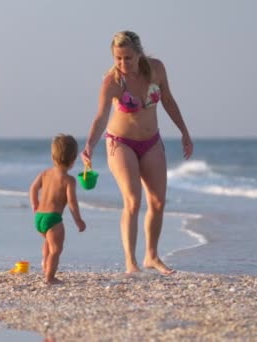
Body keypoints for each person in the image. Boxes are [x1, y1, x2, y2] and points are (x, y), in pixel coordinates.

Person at [80, 31, 193, 275]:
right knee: (133, 201)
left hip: (151, 142)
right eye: (117, 58)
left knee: (158, 202)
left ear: (139, 53)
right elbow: (100, 117)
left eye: (128, 58)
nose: (122, 64)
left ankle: (151, 256)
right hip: (120, 143)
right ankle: (130, 262)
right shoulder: (112, 81)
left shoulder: (156, 69)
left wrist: (184, 131)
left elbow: (169, 101)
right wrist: (89, 145)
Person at [29, 134, 86, 284]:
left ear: (52, 156)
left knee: (48, 242)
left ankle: (45, 263)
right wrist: (78, 221)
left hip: (39, 217)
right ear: (73, 160)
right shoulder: (69, 180)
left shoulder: (45, 173)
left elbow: (33, 188)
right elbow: (72, 203)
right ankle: (50, 277)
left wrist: (35, 203)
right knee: (56, 250)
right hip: (53, 219)